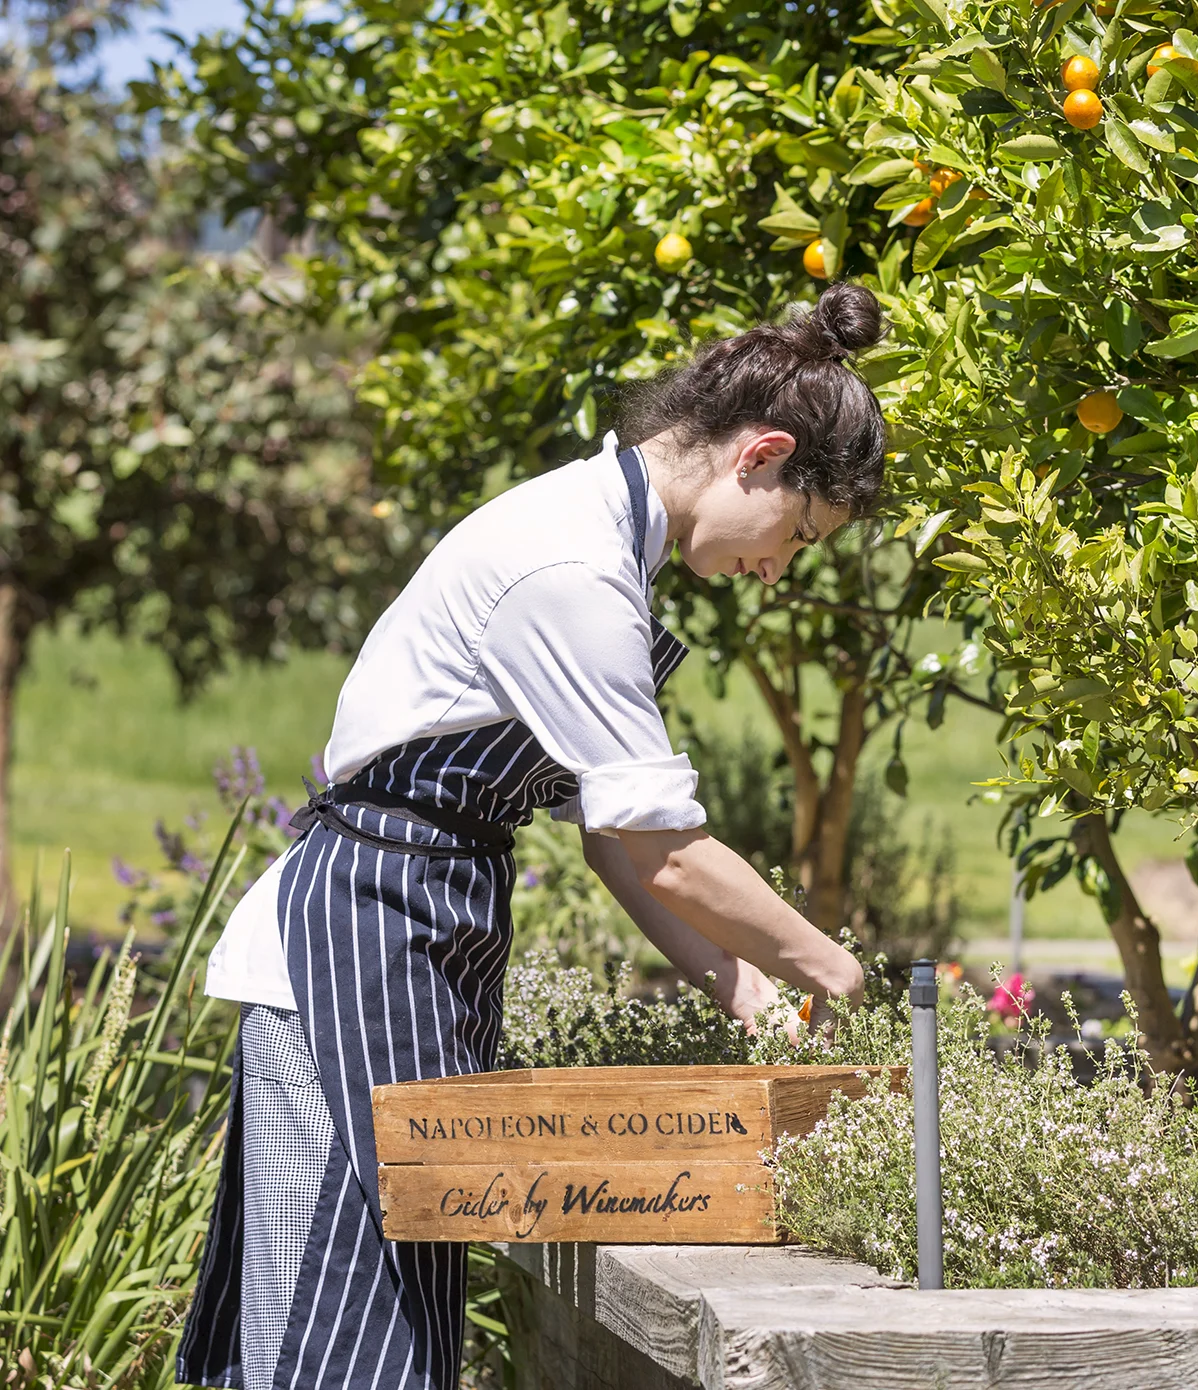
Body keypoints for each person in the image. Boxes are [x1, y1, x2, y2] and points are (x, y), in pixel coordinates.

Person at [176, 283, 887, 1390]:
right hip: (353, 944)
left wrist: (743, 987)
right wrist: (834, 970)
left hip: (417, 933)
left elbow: (612, 838)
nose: (776, 569)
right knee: (348, 1326)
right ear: (762, 456)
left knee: (395, 1311)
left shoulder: (604, 547)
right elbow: (664, 848)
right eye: (797, 534)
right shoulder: (571, 570)